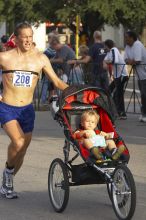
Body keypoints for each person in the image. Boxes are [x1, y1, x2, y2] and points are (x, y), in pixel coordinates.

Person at [0, 22, 68, 199]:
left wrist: (78, 92)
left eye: (30, 36)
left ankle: (8, 182)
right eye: (24, 36)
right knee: (18, 142)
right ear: (16, 38)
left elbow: (57, 82)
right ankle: (8, 172)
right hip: (7, 107)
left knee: (22, 149)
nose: (28, 40)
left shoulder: (40, 59)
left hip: (27, 110)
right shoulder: (5, 57)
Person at [124, 31, 146, 122]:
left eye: (127, 37)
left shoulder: (137, 45)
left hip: (144, 74)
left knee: (144, 95)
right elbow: (125, 59)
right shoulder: (127, 46)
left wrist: (131, 61)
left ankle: (144, 114)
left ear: (132, 38)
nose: (125, 39)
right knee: (143, 94)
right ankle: (143, 113)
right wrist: (130, 61)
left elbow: (137, 60)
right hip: (139, 75)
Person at [104, 39, 128, 119]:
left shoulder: (114, 50)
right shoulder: (109, 52)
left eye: (105, 46)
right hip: (117, 76)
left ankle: (122, 113)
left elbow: (115, 60)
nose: (104, 48)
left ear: (107, 45)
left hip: (122, 75)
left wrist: (107, 62)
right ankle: (114, 110)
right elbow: (105, 60)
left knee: (119, 93)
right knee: (110, 90)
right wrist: (106, 61)